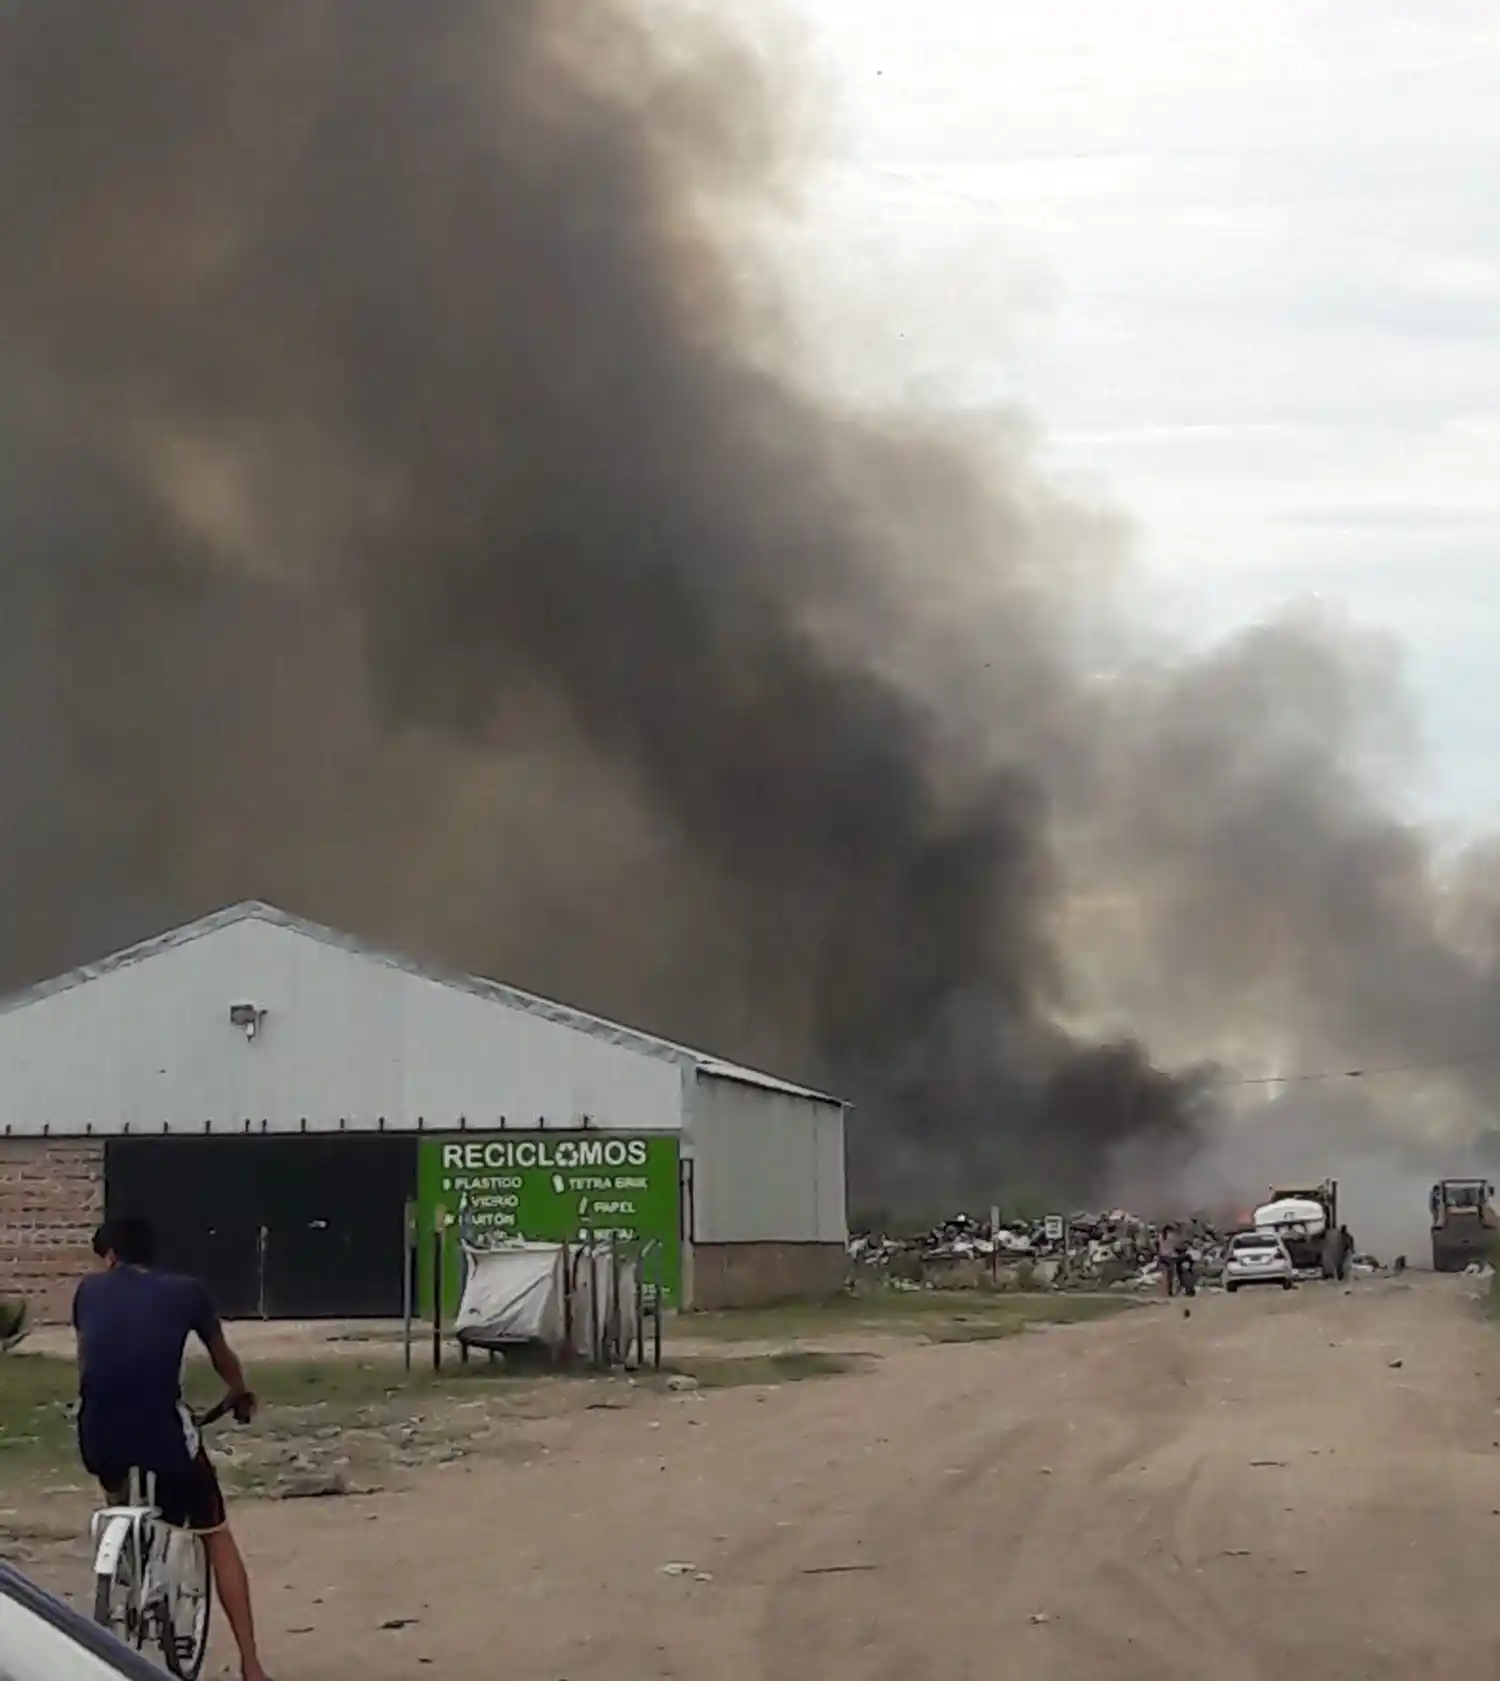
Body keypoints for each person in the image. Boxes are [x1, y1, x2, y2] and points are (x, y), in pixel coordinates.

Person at [72, 1217, 270, 1681]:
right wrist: (239, 1392)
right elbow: (224, 1360)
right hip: (161, 1433)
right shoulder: (188, 1292)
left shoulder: (87, 1291)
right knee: (215, 1531)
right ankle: (252, 1664)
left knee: (112, 1468)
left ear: (111, 1256)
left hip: (98, 1432)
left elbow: (89, 1364)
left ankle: (121, 1547)